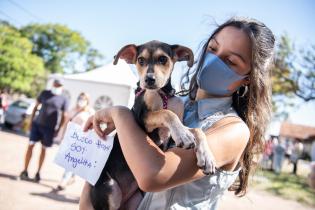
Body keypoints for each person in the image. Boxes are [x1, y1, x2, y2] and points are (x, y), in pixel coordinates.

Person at [79, 16, 275, 210]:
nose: (214, 60)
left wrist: (120, 115)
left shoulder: (233, 130)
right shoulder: (172, 102)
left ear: (248, 78)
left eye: (230, 61)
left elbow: (153, 176)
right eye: (213, 48)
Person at [19, 79, 69, 182]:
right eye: (55, 84)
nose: (57, 86)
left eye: (59, 85)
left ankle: (38, 173)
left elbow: (65, 116)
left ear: (62, 86)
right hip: (37, 125)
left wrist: (58, 129)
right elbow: (35, 106)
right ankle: (25, 171)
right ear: (53, 84)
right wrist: (31, 121)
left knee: (43, 149)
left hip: (50, 129)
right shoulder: (45, 93)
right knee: (30, 146)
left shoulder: (63, 99)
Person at [54, 92, 94, 191]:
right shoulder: (72, 110)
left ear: (87, 101)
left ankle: (63, 181)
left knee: (73, 161)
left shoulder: (90, 112)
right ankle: (70, 177)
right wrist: (62, 137)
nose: (81, 100)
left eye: (84, 99)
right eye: (80, 98)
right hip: (71, 140)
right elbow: (66, 124)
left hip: (83, 141)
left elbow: (93, 127)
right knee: (71, 160)